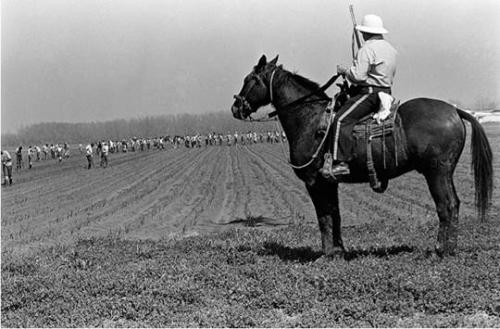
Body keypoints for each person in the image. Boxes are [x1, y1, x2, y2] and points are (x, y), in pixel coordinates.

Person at [322, 14, 397, 177]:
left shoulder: (367, 49)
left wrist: (345, 71)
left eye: (363, 32)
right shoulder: (391, 49)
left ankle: (340, 162)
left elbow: (358, 76)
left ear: (366, 33)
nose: (362, 35)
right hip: (387, 93)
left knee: (341, 119)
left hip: (370, 95)